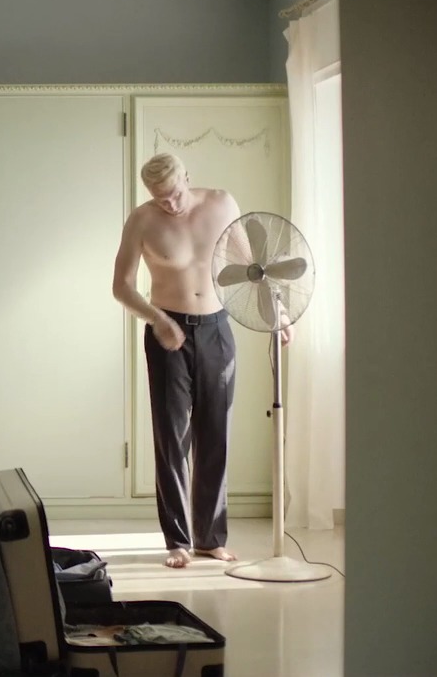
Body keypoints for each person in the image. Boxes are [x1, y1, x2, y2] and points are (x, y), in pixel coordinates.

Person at [112, 153, 294, 569]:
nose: (170, 204)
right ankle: (177, 541)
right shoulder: (141, 220)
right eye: (160, 198)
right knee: (172, 437)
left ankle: (210, 539)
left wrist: (278, 312)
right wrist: (157, 320)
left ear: (187, 179)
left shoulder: (221, 204)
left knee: (215, 433)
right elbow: (121, 287)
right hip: (167, 331)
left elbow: (251, 267)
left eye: (175, 194)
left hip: (216, 327)